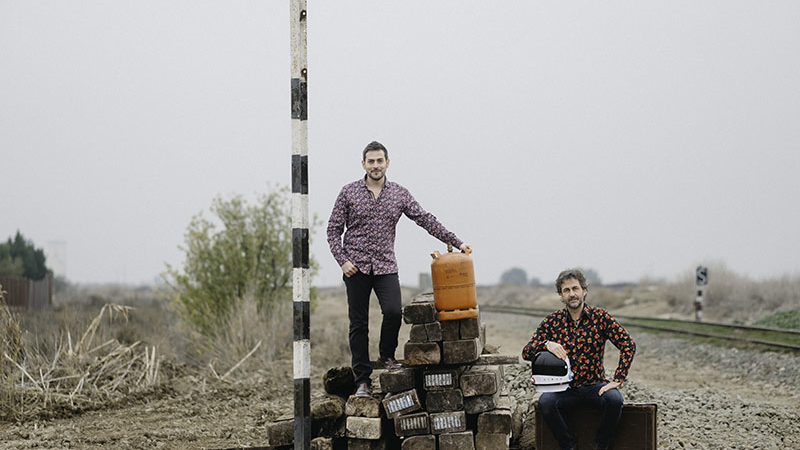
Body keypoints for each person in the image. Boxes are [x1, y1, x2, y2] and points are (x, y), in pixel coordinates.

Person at [327, 141, 471, 398]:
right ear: (363, 164)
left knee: (393, 312)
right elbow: (333, 230)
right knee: (358, 324)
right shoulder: (348, 192)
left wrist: (456, 241)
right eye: (370, 161)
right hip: (356, 268)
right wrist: (342, 260)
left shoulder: (399, 194)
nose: (375, 165)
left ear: (387, 163)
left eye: (379, 161)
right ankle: (362, 380)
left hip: (385, 265)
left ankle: (386, 356)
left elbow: (425, 218)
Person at [522, 269, 636, 450]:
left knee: (615, 400)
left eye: (575, 288)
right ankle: (569, 445)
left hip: (595, 386)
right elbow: (526, 352)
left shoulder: (600, 317)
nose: (572, 294)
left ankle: (601, 445)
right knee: (545, 403)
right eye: (566, 290)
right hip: (564, 389)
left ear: (584, 290)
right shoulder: (552, 322)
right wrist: (546, 344)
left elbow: (628, 344)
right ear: (561, 295)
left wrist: (618, 379)